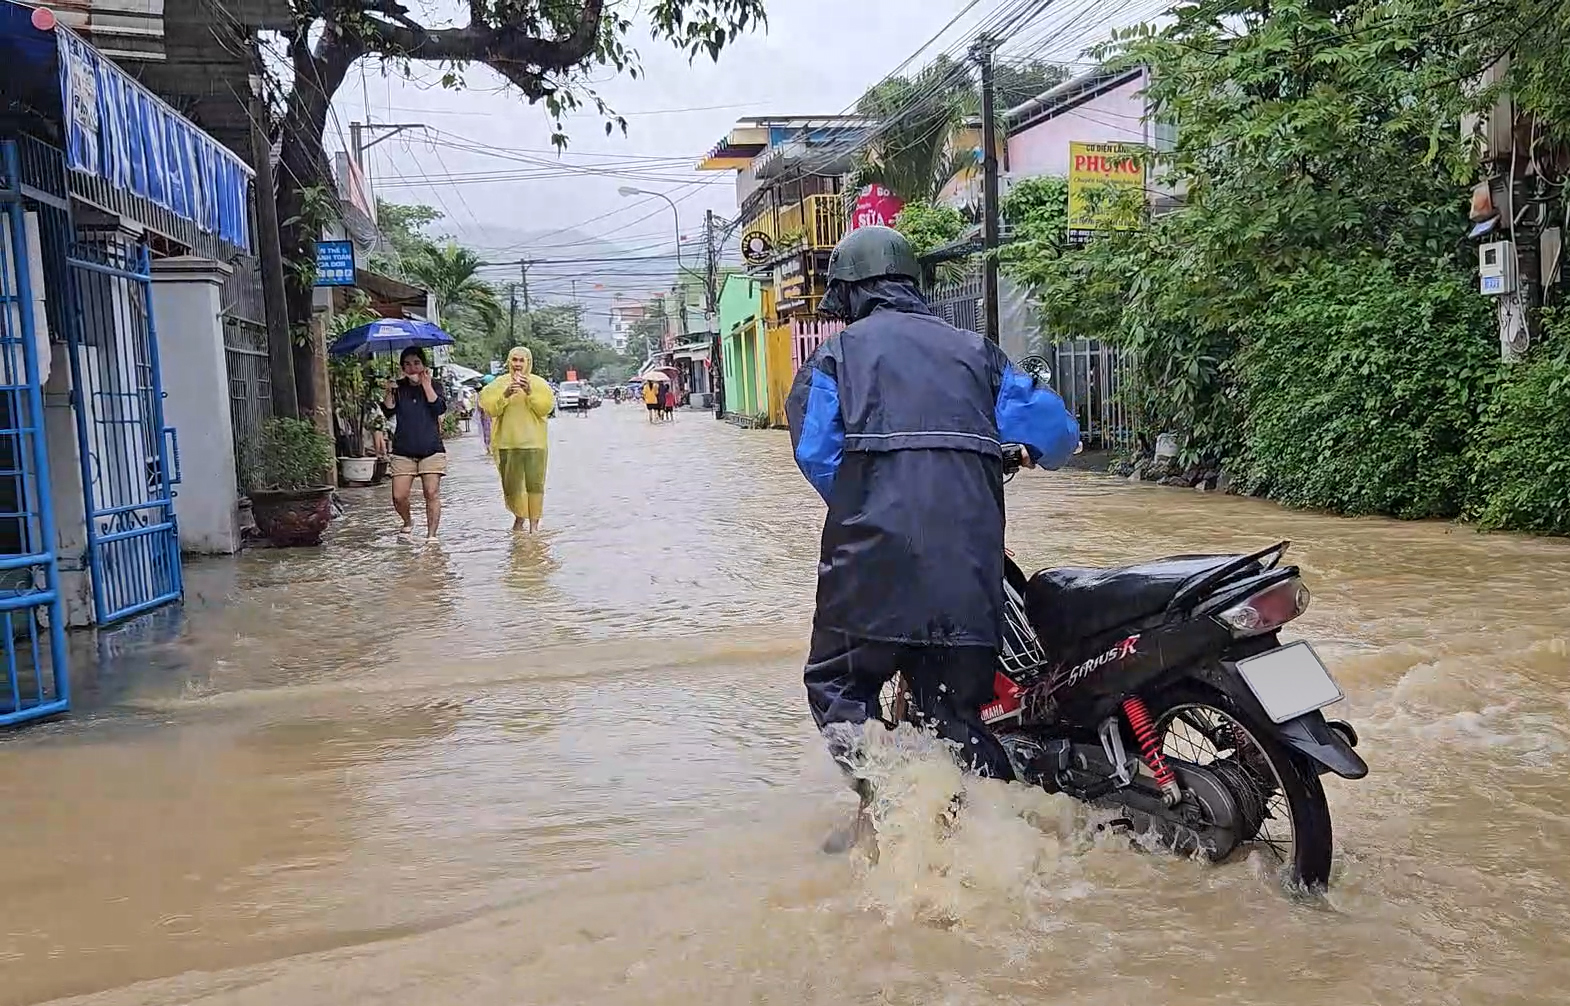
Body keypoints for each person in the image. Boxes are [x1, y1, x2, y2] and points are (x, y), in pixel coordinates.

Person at [786, 225, 1080, 802]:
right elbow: (1059, 434)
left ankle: (888, 803)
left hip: (870, 569)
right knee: (958, 715)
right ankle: (990, 821)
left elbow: (819, 455)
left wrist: (871, 505)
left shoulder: (835, 357)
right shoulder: (977, 352)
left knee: (837, 685)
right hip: (969, 569)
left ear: (848, 294)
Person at [479, 346, 556, 533]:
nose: (518, 364)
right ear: (509, 362)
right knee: (511, 487)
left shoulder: (539, 384)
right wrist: (505, 395)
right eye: (514, 360)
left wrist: (529, 392)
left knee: (534, 485)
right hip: (507, 443)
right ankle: (519, 517)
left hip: (534, 444)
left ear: (528, 363)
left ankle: (534, 525)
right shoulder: (498, 384)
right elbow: (490, 409)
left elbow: (545, 409)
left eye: (522, 360)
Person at [383, 346, 448, 543]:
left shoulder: (435, 385)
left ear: (424, 365)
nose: (412, 368)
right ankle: (407, 522)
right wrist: (388, 392)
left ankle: (431, 536)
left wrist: (426, 385)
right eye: (407, 364)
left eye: (416, 363)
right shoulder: (398, 387)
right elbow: (388, 412)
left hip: (431, 449)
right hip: (403, 450)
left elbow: (438, 408)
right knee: (399, 496)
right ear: (402, 367)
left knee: (431, 492)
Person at [476, 374, 496, 454]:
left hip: (488, 416)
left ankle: (489, 449)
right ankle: (490, 449)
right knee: (490, 432)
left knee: (488, 432)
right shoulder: (485, 393)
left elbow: (479, 406)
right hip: (488, 415)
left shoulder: (483, 393)